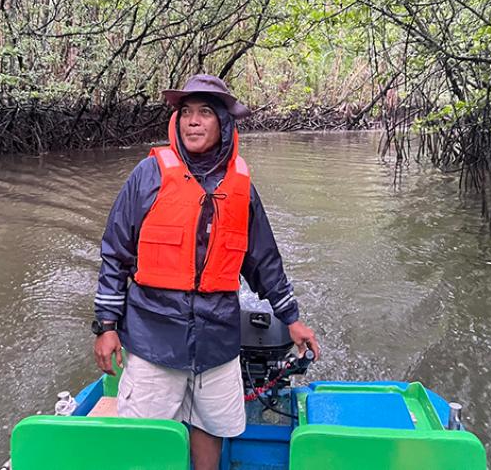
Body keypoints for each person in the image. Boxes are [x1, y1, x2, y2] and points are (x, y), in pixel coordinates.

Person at [92, 74, 320, 470]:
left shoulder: (241, 187)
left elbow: (263, 261)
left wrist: (292, 319)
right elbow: (116, 253)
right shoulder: (148, 175)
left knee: (210, 427)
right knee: (145, 439)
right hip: (153, 336)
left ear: (223, 124)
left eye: (204, 113)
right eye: (186, 113)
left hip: (217, 339)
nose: (192, 122)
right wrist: (107, 326)